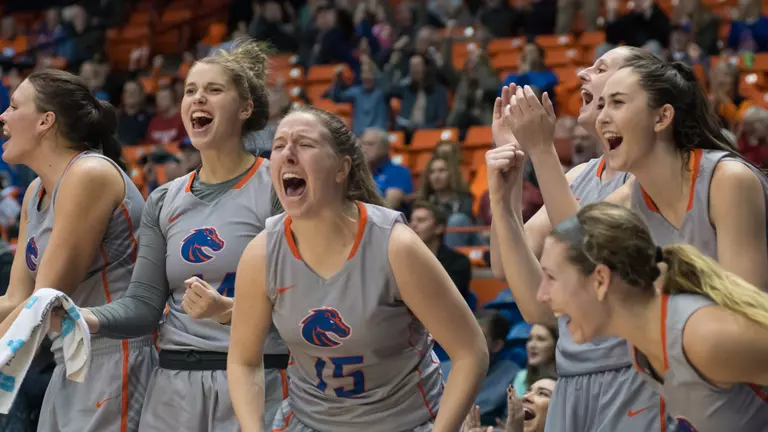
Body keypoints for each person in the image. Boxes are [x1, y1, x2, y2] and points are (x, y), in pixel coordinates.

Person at [229, 106, 489, 432]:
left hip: (404, 422)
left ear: (342, 168)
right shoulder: (262, 253)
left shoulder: (396, 246)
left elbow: (471, 353)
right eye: (279, 145)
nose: (288, 153)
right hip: (307, 422)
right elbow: (243, 361)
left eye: (305, 144)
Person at [77, 40, 289, 432]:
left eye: (214, 90)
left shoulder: (277, 187)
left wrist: (228, 309)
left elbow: (300, 296)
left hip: (257, 376)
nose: (197, 99)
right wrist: (80, 317)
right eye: (190, 91)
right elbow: (143, 305)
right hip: (173, 386)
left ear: (245, 108)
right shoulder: (163, 199)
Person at [489, 47, 668, 432]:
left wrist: (541, 149)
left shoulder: (651, 173)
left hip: (633, 373)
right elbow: (504, 266)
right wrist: (511, 170)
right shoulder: (578, 176)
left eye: (601, 68)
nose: (584, 73)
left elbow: (587, 245)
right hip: (571, 374)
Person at [501, 56, 768, 291]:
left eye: (617, 103)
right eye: (601, 106)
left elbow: (746, 313)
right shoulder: (628, 198)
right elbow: (579, 247)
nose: (602, 118)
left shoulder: (729, 181)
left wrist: (542, 150)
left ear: (662, 117)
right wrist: (505, 183)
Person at [0, 69, 154, 432]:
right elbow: (15, 299)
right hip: (70, 357)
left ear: (45, 121)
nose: (3, 115)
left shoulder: (89, 174)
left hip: (117, 352)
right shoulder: (35, 191)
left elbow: (43, 301)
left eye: (14, 106)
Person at [540, 202, 768, 431]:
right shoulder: (640, 349)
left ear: (600, 280)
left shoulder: (703, 336)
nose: (542, 294)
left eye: (551, 277)